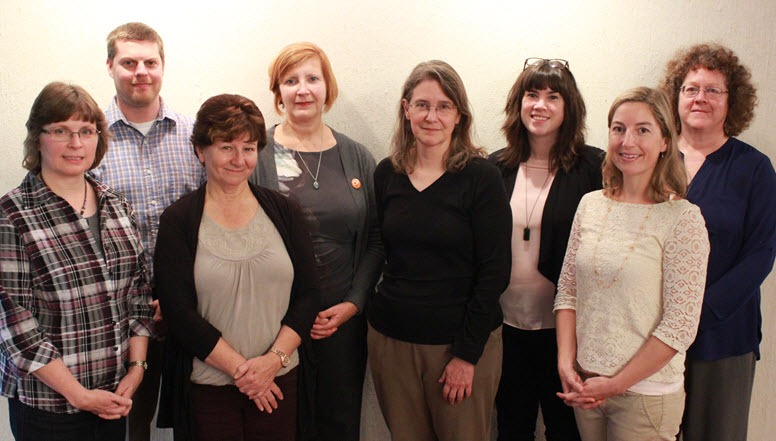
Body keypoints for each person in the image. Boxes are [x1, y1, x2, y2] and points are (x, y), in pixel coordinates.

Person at [154, 94, 320, 441]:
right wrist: (246, 373)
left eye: (248, 147)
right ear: (201, 150)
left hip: (280, 383)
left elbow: (308, 295)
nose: (239, 159)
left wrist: (271, 363)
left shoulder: (284, 211)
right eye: (226, 146)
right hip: (207, 390)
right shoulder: (179, 220)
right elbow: (178, 312)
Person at [553, 87, 710, 441]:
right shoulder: (590, 204)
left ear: (666, 141)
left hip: (646, 396)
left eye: (643, 130)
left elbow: (680, 327)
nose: (628, 141)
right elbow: (567, 292)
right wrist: (566, 362)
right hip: (587, 385)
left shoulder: (682, 219)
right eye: (618, 128)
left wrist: (614, 385)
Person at [0, 82, 154, 440]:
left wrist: (137, 369)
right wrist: (79, 395)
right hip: (50, 409)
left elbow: (139, 297)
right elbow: (16, 327)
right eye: (61, 131)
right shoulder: (11, 217)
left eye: (86, 131)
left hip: (116, 396)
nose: (76, 143)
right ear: (37, 138)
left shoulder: (118, 207)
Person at [369, 60, 512, 441]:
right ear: (406, 109)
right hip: (392, 341)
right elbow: (378, 248)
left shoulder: (482, 177)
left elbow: (495, 271)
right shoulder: (387, 173)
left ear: (459, 116)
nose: (432, 116)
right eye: (422, 104)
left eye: (444, 106)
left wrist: (467, 355)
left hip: (459, 345)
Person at [250, 42, 383, 441]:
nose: (302, 89)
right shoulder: (257, 155)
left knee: (338, 425)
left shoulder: (357, 157)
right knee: (282, 424)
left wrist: (354, 303)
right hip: (275, 322)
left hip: (340, 322)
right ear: (278, 92)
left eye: (312, 78)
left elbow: (377, 238)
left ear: (328, 87)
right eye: (291, 81)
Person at [91, 22, 206, 441]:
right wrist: (143, 300)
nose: (141, 71)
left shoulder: (196, 136)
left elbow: (210, 220)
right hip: (119, 312)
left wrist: (176, 296)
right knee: (127, 421)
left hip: (194, 305)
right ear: (109, 67)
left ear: (162, 67)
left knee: (199, 414)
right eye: (128, 62)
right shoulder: (90, 139)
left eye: (150, 62)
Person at [659, 43, 776, 441]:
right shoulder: (650, 159)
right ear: (675, 97)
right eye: (691, 89)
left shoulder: (754, 168)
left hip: (721, 335)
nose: (700, 99)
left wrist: (697, 316)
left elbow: (761, 254)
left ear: (733, 101)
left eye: (713, 90)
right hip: (647, 334)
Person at [490, 58, 603, 441]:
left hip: (566, 332)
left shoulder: (594, 169)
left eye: (553, 96)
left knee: (566, 429)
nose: (540, 105)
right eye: (532, 94)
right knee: (511, 426)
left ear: (569, 106)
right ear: (518, 103)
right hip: (505, 327)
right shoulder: (496, 168)